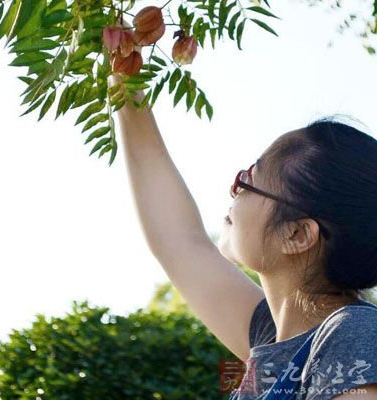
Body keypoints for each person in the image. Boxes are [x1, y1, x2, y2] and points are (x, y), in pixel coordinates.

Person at [113, 73, 377, 398]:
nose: (233, 190)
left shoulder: (353, 333)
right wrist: (126, 85)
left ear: (296, 234)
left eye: (248, 180)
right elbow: (177, 239)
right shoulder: (274, 334)